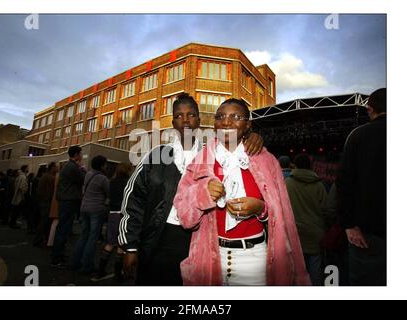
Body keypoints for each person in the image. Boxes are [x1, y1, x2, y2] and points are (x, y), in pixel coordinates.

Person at [119, 93, 264, 285]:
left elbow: (237, 147)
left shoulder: (214, 155)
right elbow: (133, 201)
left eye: (191, 114)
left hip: (199, 242)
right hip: (157, 241)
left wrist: (252, 136)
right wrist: (130, 247)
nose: (185, 120)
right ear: (172, 122)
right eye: (179, 115)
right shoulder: (156, 156)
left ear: (199, 119)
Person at [174, 98, 310, 286]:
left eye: (235, 117)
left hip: (254, 259)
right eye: (220, 117)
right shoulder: (200, 161)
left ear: (248, 125)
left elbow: (283, 215)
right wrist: (202, 193)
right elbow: (184, 215)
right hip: (210, 258)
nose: (226, 122)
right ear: (214, 125)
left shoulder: (267, 161)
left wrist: (260, 208)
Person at [336, 88, 386, 285]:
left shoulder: (358, 136)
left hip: (367, 234)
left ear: (370, 109)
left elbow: (345, 183)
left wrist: (348, 224)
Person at [285, 153, 328, 285]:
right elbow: (326, 209)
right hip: (316, 233)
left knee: (296, 271)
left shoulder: (287, 183)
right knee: (315, 271)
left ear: (295, 165)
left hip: (295, 233)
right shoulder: (319, 185)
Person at [92, 162, 131, 282]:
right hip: (123, 214)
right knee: (120, 245)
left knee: (109, 243)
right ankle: (117, 274)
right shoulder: (129, 183)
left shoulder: (111, 182)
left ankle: (100, 271)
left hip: (112, 214)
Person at [71, 155, 110, 274]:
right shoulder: (103, 179)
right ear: (102, 165)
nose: (106, 166)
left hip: (84, 208)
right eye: (105, 164)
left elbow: (84, 190)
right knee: (92, 238)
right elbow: (109, 194)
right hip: (96, 209)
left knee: (84, 235)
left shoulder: (87, 174)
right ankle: (87, 266)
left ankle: (75, 262)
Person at [51, 146, 86, 268]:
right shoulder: (73, 167)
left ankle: (59, 254)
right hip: (69, 201)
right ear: (76, 155)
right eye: (80, 153)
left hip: (65, 200)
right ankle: (56, 259)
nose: (81, 155)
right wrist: (82, 168)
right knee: (63, 230)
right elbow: (83, 179)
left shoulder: (68, 165)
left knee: (63, 228)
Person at [33, 162, 58, 247]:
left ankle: (42, 238)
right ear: (52, 168)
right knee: (44, 221)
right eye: (56, 166)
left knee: (44, 221)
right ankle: (38, 239)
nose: (57, 168)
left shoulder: (45, 176)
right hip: (46, 202)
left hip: (43, 201)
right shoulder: (50, 177)